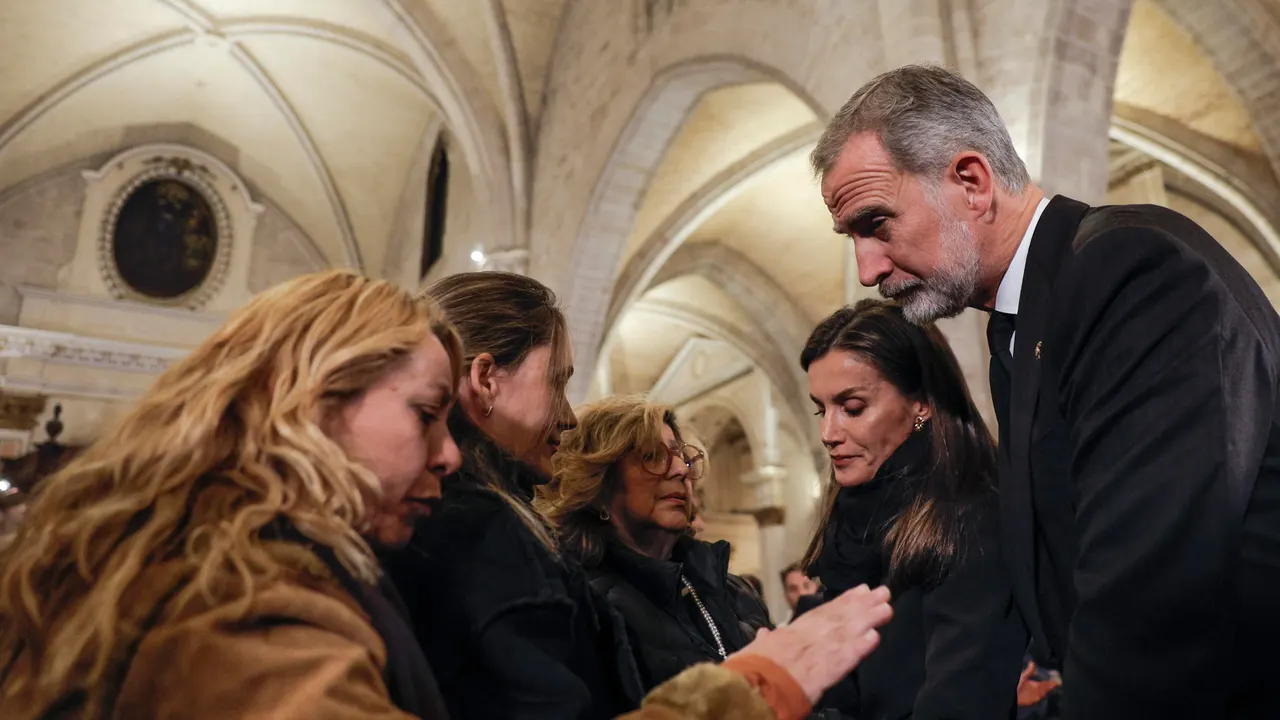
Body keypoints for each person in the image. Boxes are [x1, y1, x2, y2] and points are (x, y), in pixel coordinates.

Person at [812, 63, 1280, 717]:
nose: (867, 269)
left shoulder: (1126, 272)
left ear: (972, 183)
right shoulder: (1021, 321)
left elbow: (1151, 598)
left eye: (877, 224)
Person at [0, 270, 466, 718]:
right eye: (426, 415)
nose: (450, 456)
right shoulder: (233, 598)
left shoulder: (171, 548)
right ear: (312, 403)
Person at [797, 299, 1024, 719]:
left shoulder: (970, 518)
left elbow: (961, 703)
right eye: (820, 409)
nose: (828, 433)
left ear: (920, 403)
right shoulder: (849, 526)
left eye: (852, 408)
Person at [538, 396, 773, 692]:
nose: (680, 470)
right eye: (652, 456)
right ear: (597, 483)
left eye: (682, 457)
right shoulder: (580, 607)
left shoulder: (735, 591)